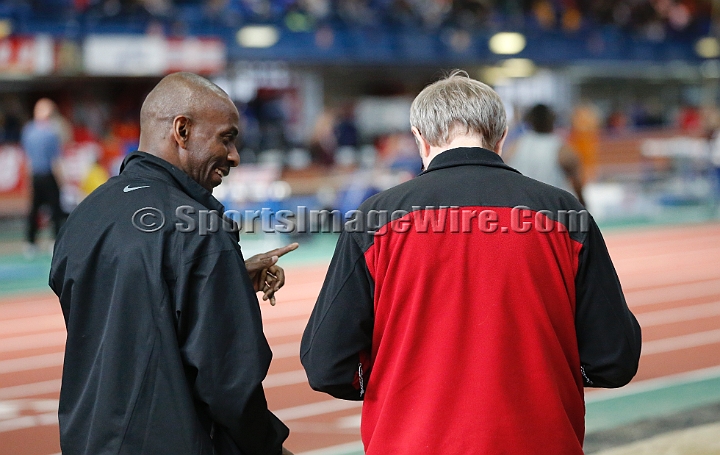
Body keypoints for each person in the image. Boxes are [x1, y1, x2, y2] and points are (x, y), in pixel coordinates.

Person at [301, 71, 641, 455]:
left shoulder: (375, 218)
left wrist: (396, 383)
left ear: (420, 138)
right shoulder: (565, 214)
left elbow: (326, 364)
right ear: (501, 136)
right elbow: (614, 359)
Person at [50, 72, 296, 455]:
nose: (234, 156)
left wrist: (220, 279)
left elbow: (125, 313)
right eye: (226, 138)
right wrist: (268, 447)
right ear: (182, 130)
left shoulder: (86, 215)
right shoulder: (198, 228)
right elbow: (229, 381)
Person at [506, 103, 586, 205]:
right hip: (550, 210)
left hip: (521, 208)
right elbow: (577, 182)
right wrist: (582, 203)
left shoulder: (514, 147)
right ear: (552, 120)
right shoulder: (561, 149)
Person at [21, 98, 66, 256]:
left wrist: (28, 180)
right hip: (48, 175)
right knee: (54, 209)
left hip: (35, 175)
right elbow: (55, 160)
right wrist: (62, 181)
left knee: (35, 210)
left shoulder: (28, 130)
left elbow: (27, 159)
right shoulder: (50, 132)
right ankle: (54, 240)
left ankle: (31, 242)